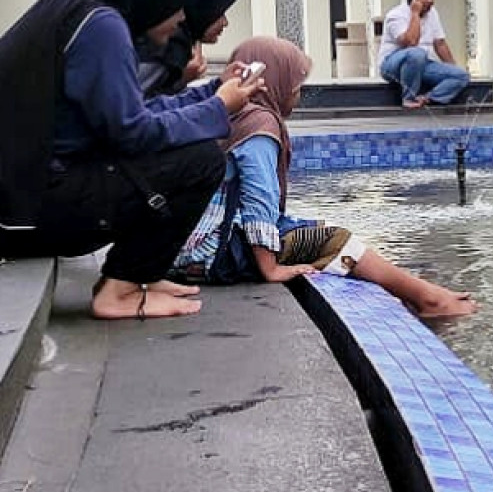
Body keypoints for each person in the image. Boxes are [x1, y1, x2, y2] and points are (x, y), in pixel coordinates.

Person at [0, 0, 262, 320]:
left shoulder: (79, 14)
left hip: (26, 207)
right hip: (36, 214)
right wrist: (218, 108)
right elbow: (134, 133)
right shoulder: (101, 27)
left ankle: (143, 274)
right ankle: (120, 291)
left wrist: (211, 94)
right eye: (178, 5)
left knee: (189, 148)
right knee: (201, 160)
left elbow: (135, 111)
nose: (182, 19)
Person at [173, 36, 477, 318]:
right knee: (334, 240)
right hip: (215, 254)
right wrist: (270, 268)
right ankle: (427, 298)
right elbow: (258, 199)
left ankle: (418, 293)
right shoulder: (259, 123)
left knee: (312, 228)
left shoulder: (228, 113)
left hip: (194, 247)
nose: (298, 92)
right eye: (294, 83)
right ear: (272, 83)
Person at [137, 0, 244, 97]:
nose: (225, 22)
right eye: (219, 13)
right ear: (202, 9)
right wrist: (181, 78)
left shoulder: (177, 43)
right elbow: (135, 105)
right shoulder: (170, 46)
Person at [377, 0, 470, 108]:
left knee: (461, 75)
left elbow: (440, 44)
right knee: (416, 53)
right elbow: (411, 42)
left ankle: (428, 98)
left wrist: (451, 67)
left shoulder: (432, 13)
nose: (430, 1)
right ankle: (408, 98)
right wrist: (415, 14)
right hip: (392, 66)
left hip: (422, 64)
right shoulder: (396, 15)